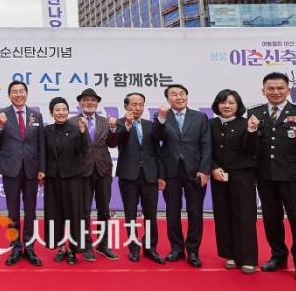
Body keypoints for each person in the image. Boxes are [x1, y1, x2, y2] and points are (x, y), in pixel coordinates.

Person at [247, 72, 296, 284]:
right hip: (265, 176)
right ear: (263, 91)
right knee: (271, 221)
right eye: (270, 88)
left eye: (280, 88)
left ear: (288, 89)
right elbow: (250, 144)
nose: (275, 92)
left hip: (294, 177)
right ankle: (278, 257)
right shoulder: (255, 114)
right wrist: (251, 132)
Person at [153, 83, 211, 268]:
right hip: (171, 171)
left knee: (195, 212)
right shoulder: (162, 116)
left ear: (187, 96)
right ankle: (176, 248)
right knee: (172, 211)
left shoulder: (200, 117)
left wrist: (204, 170)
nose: (178, 97)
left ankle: (193, 250)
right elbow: (156, 139)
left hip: (194, 171)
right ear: (168, 99)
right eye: (174, 95)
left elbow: (206, 145)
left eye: (182, 94)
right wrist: (161, 119)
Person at [0, 80, 45, 267]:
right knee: (13, 211)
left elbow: (41, 144)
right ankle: (15, 247)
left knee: (31, 210)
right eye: (14, 92)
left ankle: (30, 248)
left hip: (31, 168)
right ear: (9, 95)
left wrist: (42, 169)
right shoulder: (1, 114)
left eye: (21, 91)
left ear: (27, 94)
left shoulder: (36, 115)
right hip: (10, 167)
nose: (18, 94)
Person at [209, 89, 258, 274]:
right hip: (219, 175)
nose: (227, 106)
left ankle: (247, 258)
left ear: (238, 106)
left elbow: (251, 149)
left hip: (242, 176)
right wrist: (213, 167)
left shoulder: (246, 123)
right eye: (223, 102)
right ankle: (230, 254)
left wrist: (252, 131)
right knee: (223, 216)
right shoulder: (210, 124)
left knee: (244, 216)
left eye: (231, 103)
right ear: (217, 104)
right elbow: (206, 149)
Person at [114, 92, 166, 265]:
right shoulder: (119, 124)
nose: (137, 108)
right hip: (128, 175)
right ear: (126, 106)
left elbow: (158, 152)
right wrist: (127, 125)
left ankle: (150, 248)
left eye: (141, 105)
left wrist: (161, 175)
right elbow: (116, 141)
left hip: (150, 175)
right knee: (130, 214)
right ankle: (134, 248)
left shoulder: (151, 125)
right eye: (134, 104)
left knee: (151, 214)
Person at [68, 88, 119, 262]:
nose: (89, 102)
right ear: (80, 103)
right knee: (84, 211)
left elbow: (112, 144)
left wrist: (113, 129)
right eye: (86, 100)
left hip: (103, 170)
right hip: (82, 172)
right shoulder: (72, 122)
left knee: (104, 211)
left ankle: (103, 245)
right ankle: (87, 245)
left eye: (93, 100)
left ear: (97, 103)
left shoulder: (106, 122)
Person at [40, 97, 88, 265]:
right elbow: (43, 153)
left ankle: (74, 250)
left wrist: (83, 132)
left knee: (74, 214)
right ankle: (61, 247)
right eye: (57, 110)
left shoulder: (77, 129)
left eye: (64, 109)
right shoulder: (46, 131)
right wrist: (42, 171)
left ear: (68, 111)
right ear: (51, 113)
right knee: (55, 214)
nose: (61, 113)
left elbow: (83, 150)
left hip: (72, 177)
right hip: (53, 178)